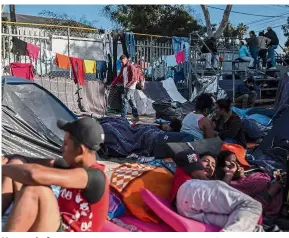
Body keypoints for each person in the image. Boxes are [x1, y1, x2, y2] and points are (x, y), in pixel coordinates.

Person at [2, 117, 109, 232]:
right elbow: (26, 163)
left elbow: (33, 174)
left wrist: (2, 168)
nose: (61, 148)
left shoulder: (95, 177)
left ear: (80, 150)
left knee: (35, 188)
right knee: (16, 163)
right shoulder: (70, 166)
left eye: (65, 144)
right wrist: (8, 159)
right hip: (56, 223)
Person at [171, 149, 263, 232]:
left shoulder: (204, 188)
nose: (209, 166)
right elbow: (197, 173)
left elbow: (218, 196)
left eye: (213, 165)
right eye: (205, 161)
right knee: (253, 205)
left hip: (188, 208)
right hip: (189, 191)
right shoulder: (195, 177)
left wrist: (229, 173)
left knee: (251, 227)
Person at [216, 150, 285, 216]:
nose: (237, 164)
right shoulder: (234, 187)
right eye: (232, 164)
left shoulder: (254, 174)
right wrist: (271, 192)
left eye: (237, 160)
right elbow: (251, 207)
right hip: (282, 202)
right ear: (224, 169)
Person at [111, 55, 139, 121]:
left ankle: (123, 118)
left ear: (126, 59)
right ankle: (136, 116)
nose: (121, 63)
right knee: (131, 102)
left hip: (131, 87)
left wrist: (128, 85)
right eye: (120, 62)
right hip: (126, 86)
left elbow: (134, 79)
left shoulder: (131, 67)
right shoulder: (123, 68)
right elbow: (118, 77)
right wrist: (112, 83)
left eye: (122, 61)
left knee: (125, 100)